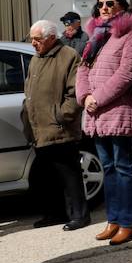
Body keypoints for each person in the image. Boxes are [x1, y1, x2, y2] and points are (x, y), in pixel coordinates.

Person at [76, 0, 132, 245]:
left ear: (122, 6)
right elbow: (82, 70)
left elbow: (126, 73)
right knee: (108, 169)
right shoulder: (95, 35)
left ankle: (129, 223)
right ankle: (113, 220)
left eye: (110, 3)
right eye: (101, 4)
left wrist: (98, 98)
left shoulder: (131, 34)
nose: (105, 8)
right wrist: (85, 98)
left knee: (124, 167)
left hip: (118, 111)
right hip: (95, 114)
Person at [21, 20, 89, 230]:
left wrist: (60, 116)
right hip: (39, 129)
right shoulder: (35, 59)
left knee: (69, 175)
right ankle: (55, 214)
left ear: (52, 38)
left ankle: (80, 215)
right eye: (31, 39)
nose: (33, 43)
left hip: (60, 129)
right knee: (46, 176)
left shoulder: (68, 56)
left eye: (37, 39)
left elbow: (75, 93)